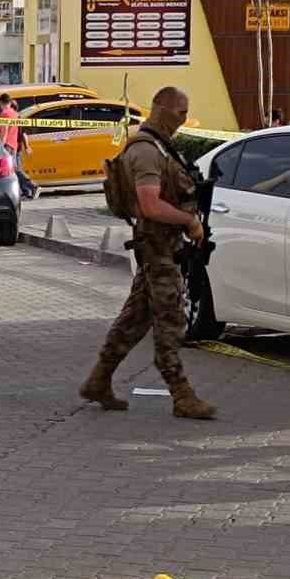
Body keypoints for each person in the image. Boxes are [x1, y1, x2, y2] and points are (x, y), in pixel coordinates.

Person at [79, 86, 216, 421]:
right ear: (161, 109)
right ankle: (181, 394)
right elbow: (149, 204)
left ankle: (98, 380)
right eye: (180, 111)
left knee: (135, 318)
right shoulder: (147, 152)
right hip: (158, 249)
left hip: (164, 247)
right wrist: (188, 222)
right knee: (171, 320)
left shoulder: (159, 147)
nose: (184, 119)